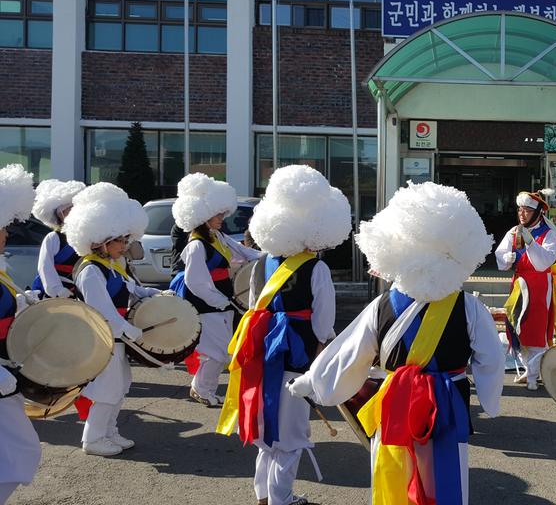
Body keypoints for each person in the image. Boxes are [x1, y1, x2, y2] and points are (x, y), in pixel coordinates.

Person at [287, 180, 504, 505]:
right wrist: (491, 399)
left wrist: (313, 383)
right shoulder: (470, 306)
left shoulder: (382, 306)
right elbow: (492, 358)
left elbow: (349, 356)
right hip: (448, 404)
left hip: (395, 406)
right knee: (446, 482)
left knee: (393, 480)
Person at [216, 165, 348, 505]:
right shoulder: (315, 266)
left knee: (266, 428)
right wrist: (322, 349)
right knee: (291, 432)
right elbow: (324, 319)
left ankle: (264, 494)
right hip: (297, 349)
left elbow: (252, 303)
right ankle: (280, 497)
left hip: (260, 348)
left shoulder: (262, 262)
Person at [63, 183, 164, 457]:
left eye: (125, 239)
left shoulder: (109, 266)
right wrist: (130, 330)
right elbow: (103, 311)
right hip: (101, 337)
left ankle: (108, 431)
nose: (125, 245)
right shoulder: (90, 270)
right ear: (102, 240)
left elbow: (131, 289)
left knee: (120, 386)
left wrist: (155, 293)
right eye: (120, 240)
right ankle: (93, 438)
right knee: (106, 389)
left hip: (115, 337)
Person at [169, 173, 260, 407]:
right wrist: (221, 301)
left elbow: (246, 253)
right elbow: (195, 282)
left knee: (218, 352)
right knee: (217, 352)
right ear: (203, 215)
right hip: (207, 305)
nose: (222, 217)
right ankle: (201, 389)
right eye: (218, 214)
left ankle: (202, 389)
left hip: (221, 303)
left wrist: (272, 255)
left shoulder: (217, 236)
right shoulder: (196, 245)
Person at [0, 164, 43, 504]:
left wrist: (20, 302)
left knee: (18, 453)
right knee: (20, 451)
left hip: (7, 370)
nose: (6, 235)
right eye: (1, 228)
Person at [494, 188, 556, 390]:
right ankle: (528, 369)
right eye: (520, 210)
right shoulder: (514, 232)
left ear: (537, 212)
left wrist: (531, 242)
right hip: (519, 284)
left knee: (537, 328)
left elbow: (544, 263)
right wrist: (507, 259)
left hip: (540, 285)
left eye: (526, 210)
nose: (522, 214)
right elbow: (501, 257)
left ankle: (534, 373)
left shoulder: (548, 234)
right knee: (517, 327)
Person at [30, 179, 86, 299]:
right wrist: (56, 289)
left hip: (78, 292)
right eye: (70, 209)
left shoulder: (85, 237)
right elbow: (45, 266)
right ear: (61, 214)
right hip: (55, 294)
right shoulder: (53, 238)